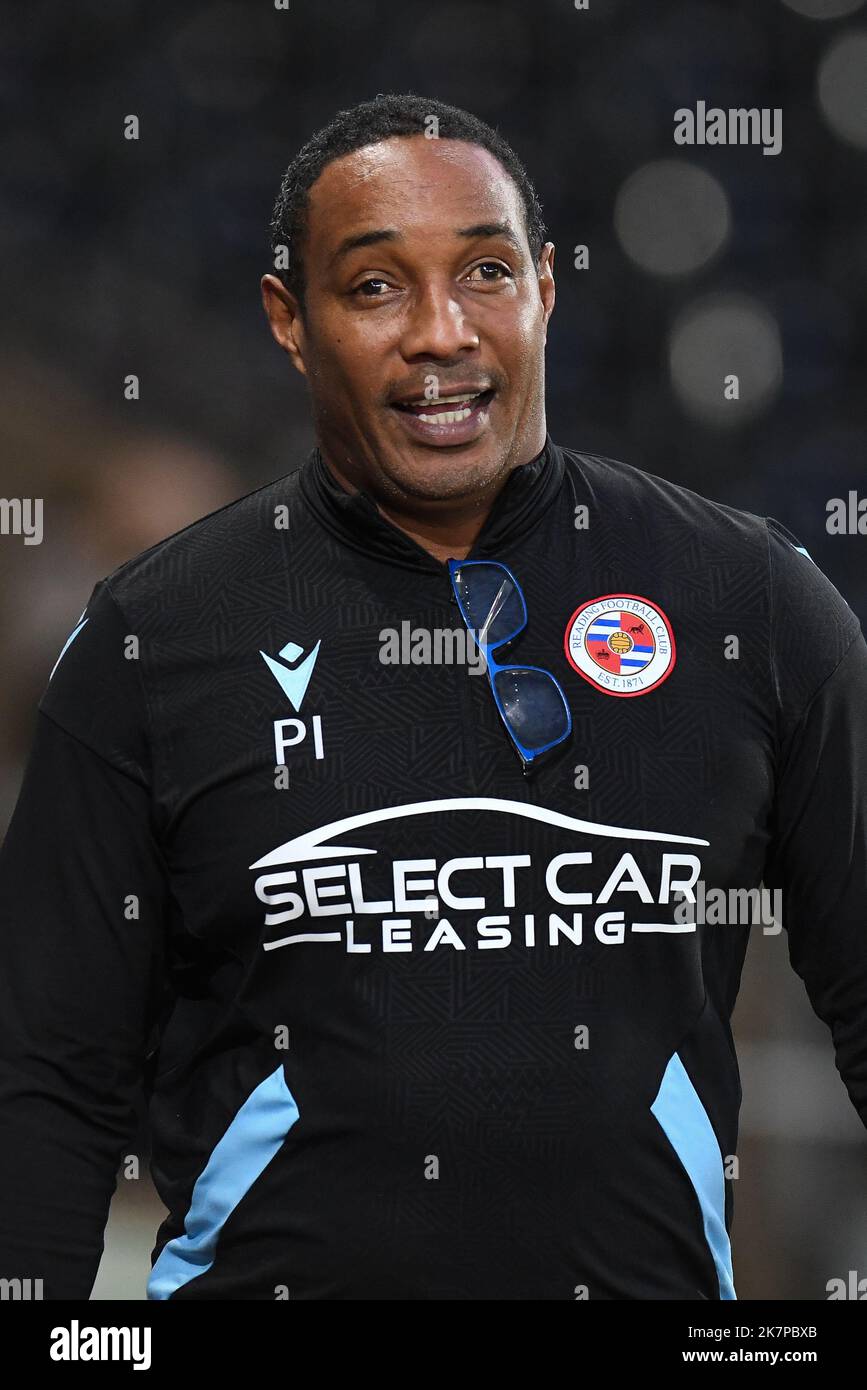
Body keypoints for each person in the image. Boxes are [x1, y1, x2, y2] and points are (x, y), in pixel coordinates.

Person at [0, 92, 865, 1302]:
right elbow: (47, 1076)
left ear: (548, 292)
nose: (442, 333)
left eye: (488, 273)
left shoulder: (751, 602)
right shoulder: (154, 638)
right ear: (287, 319)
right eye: (374, 288)